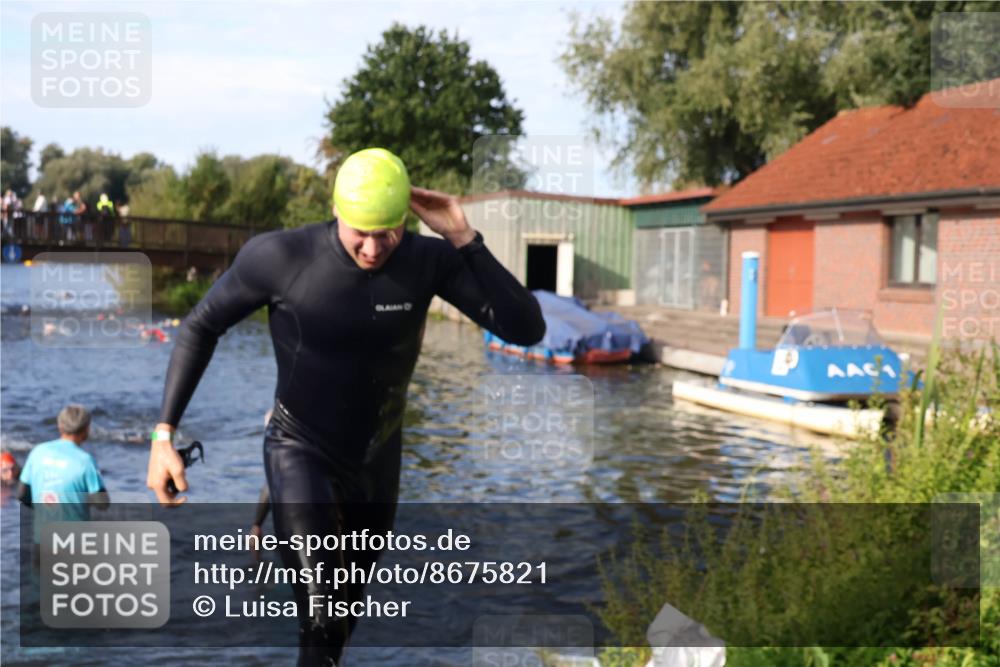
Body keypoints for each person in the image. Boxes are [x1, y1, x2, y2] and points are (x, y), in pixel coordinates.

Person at [146, 147, 545, 665]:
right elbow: (201, 326)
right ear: (336, 209)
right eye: (361, 231)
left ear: (405, 219)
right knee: (322, 609)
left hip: (376, 463)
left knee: (340, 624)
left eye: (388, 232)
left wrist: (464, 239)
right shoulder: (281, 258)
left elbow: (526, 327)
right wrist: (163, 436)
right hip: (299, 448)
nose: (374, 248)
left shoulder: (429, 261)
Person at [17, 405, 109, 545]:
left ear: (60, 426)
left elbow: (21, 494)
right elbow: (102, 503)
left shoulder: (38, 452)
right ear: (86, 430)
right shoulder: (85, 460)